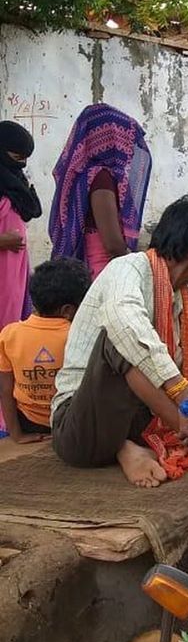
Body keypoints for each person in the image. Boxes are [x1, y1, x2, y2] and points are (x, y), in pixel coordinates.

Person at [51, 196, 188, 503]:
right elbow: (126, 329)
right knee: (121, 337)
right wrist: (186, 401)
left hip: (140, 415)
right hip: (82, 427)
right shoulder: (127, 269)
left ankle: (128, 446)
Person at [49, 104, 152, 280]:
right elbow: (112, 244)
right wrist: (140, 267)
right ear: (113, 141)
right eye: (127, 143)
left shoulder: (86, 174)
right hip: (103, 271)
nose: (131, 153)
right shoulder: (101, 177)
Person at [0, 259, 91, 443]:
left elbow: (5, 389)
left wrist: (16, 434)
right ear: (67, 310)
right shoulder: (79, 336)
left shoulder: (9, 334)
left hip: (28, 422)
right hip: (69, 421)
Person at [0, 120, 43, 436]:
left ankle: (10, 409)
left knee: (11, 333)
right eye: (17, 156)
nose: (23, 164)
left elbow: (30, 210)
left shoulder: (15, 180)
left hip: (14, 272)